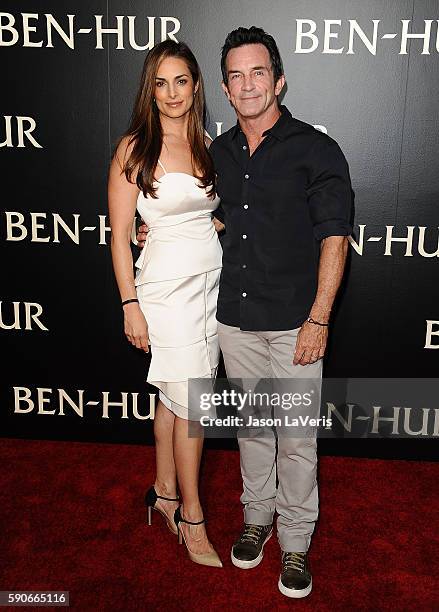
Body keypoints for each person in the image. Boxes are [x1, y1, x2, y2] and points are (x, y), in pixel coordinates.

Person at [138, 26, 353, 597]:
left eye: (259, 72)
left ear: (279, 80)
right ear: (227, 91)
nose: (248, 83)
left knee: (297, 437)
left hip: (296, 324)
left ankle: (297, 543)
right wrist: (152, 226)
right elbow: (204, 214)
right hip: (233, 319)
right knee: (255, 430)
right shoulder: (219, 154)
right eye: (236, 74)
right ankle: (258, 520)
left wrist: (319, 318)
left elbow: (336, 237)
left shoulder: (316, 149)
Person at [108, 40, 223, 568]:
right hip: (165, 293)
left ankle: (164, 491)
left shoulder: (205, 143)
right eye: (161, 82)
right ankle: (192, 518)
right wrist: (130, 303)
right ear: (149, 89)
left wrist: (212, 224)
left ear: (196, 86)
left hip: (208, 291)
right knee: (193, 404)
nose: (172, 93)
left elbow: (200, 212)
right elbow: (117, 235)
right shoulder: (134, 148)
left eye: (181, 81)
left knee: (173, 400)